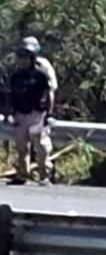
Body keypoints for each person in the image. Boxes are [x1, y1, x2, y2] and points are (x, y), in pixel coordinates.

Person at [7, 39, 55, 185]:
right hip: (20, 115)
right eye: (20, 55)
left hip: (37, 115)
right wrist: (10, 113)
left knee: (41, 147)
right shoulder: (16, 76)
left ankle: (44, 175)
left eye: (25, 55)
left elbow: (49, 95)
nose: (22, 59)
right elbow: (11, 96)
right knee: (21, 147)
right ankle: (23, 174)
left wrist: (48, 114)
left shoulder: (41, 75)